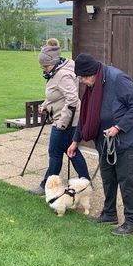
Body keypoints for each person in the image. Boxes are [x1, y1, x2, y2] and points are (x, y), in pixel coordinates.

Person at [67, 53, 133, 236]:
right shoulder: (91, 85)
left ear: (93, 72)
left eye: (84, 77)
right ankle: (109, 213)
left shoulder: (117, 79)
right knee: (108, 178)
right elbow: (86, 116)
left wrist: (118, 127)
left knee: (126, 180)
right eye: (80, 78)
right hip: (104, 140)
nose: (83, 81)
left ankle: (131, 222)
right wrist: (75, 140)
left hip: (127, 139)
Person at [30, 39, 90, 196]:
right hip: (68, 120)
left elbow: (72, 99)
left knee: (55, 152)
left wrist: (62, 123)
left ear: (53, 62)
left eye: (45, 66)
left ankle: (47, 186)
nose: (44, 69)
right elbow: (56, 95)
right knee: (71, 151)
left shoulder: (62, 75)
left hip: (66, 122)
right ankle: (86, 182)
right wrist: (45, 104)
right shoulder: (58, 70)